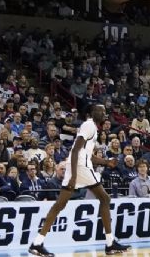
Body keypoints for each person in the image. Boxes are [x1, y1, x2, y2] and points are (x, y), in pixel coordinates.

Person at [28, 105, 128, 257]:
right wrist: (74, 176)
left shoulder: (91, 127)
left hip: (77, 164)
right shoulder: (89, 125)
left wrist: (106, 162)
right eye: (101, 111)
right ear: (93, 113)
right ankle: (110, 243)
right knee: (105, 199)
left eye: (105, 112)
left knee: (59, 204)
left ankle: (37, 243)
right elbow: (75, 151)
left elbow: (85, 153)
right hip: (80, 166)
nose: (104, 114)